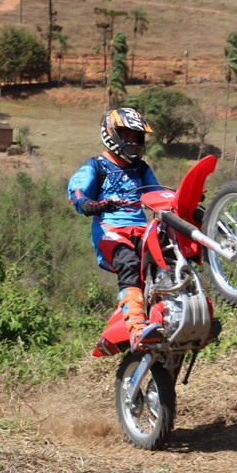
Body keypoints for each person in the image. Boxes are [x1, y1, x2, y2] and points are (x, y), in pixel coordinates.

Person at [68, 108, 164, 351]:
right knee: (129, 262)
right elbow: (77, 190)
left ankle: (176, 312)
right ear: (112, 134)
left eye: (136, 136)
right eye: (126, 135)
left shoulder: (141, 168)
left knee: (167, 254)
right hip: (110, 229)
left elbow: (157, 193)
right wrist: (90, 204)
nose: (132, 141)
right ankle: (137, 329)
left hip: (141, 229)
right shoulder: (97, 166)